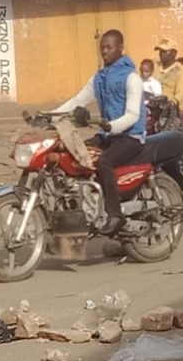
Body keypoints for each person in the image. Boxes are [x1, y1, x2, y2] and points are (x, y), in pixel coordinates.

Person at [51, 29, 145, 235]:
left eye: (109, 47)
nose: (104, 51)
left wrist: (112, 126)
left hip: (130, 137)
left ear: (120, 49)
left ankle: (115, 215)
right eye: (102, 47)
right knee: (77, 153)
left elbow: (132, 114)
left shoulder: (132, 78)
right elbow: (78, 100)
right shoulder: (99, 77)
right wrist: (52, 115)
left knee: (104, 162)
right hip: (108, 135)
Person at [154, 38, 183, 107]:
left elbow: (180, 94)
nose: (162, 54)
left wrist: (171, 103)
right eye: (160, 51)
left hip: (169, 108)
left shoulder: (181, 71)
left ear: (174, 53)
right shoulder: (154, 66)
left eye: (165, 51)